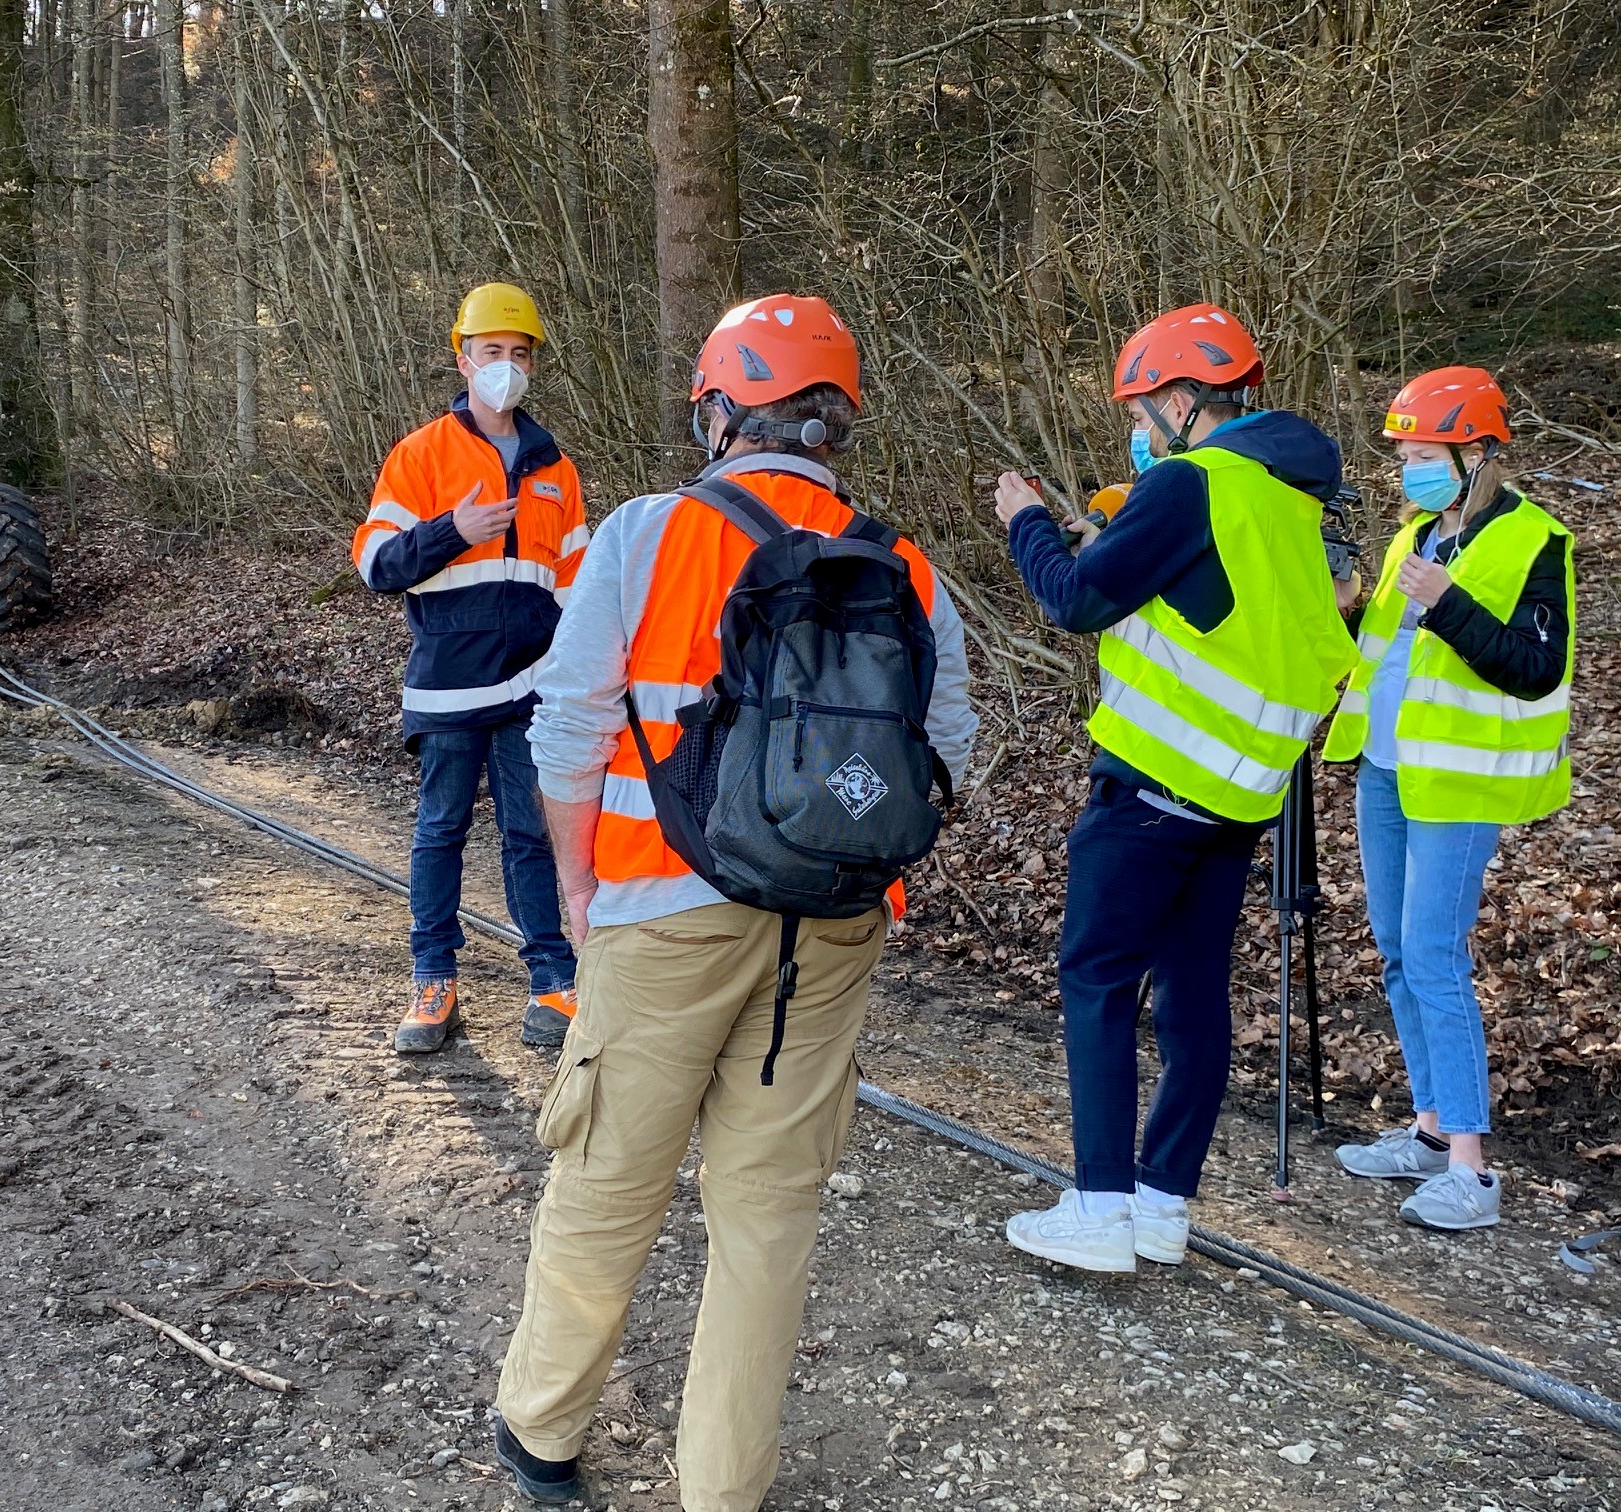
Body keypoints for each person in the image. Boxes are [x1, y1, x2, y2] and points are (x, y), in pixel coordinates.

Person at [489, 294, 977, 1509]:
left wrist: (577, 889)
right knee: (766, 1221)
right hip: (833, 933)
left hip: (660, 916)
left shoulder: (650, 533)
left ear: (719, 409)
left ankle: (543, 1435)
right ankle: (722, 1490)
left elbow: (569, 724)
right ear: (834, 421)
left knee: (608, 1182)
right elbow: (947, 751)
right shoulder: (903, 563)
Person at [992, 303, 1358, 1274]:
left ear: (1186, 401)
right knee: (1195, 998)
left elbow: (1072, 600)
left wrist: (1025, 521)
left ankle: (1101, 1207)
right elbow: (1225, 614)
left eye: (1145, 407)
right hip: (1239, 798)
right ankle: (1162, 1204)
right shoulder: (1285, 497)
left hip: (1153, 788)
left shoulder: (1192, 485)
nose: (1139, 427)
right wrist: (1105, 532)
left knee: (1098, 979)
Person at [1322, 366, 1574, 1231]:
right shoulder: (1415, 535)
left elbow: (1538, 669)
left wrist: (1449, 605)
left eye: (1425, 454)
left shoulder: (1535, 539)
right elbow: (1376, 642)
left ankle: (1471, 1169)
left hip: (1461, 784)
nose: (1409, 469)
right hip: (1386, 770)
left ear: (1476, 453)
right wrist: (1342, 595)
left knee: (1434, 954)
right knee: (1395, 949)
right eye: (1404, 455)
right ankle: (1429, 1134)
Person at [350, 283, 588, 1054]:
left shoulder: (557, 466)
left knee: (532, 836)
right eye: (493, 352)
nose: (507, 366)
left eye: (520, 354)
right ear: (463, 358)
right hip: (448, 685)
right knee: (439, 833)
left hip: (532, 690)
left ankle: (553, 984)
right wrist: (453, 529)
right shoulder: (421, 455)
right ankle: (432, 982)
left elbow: (579, 586)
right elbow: (378, 564)